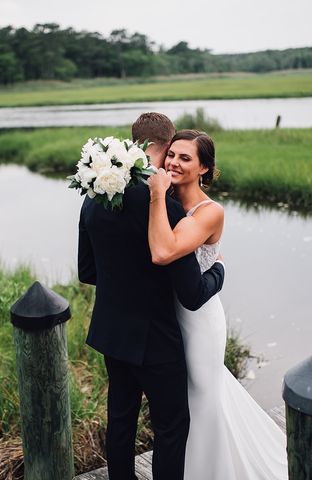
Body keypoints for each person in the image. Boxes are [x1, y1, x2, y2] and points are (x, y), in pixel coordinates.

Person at [147, 129, 312, 480]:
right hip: (170, 318)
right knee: (185, 396)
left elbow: (167, 250)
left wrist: (217, 266)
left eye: (185, 158)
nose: (173, 162)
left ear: (204, 168)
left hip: (200, 319)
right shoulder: (165, 198)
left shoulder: (209, 211)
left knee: (203, 391)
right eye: (171, 155)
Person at [77, 113, 226, 480]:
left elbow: (88, 272)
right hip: (156, 339)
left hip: (112, 333)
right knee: (171, 428)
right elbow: (191, 294)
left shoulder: (96, 195)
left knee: (121, 421)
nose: (173, 164)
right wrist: (220, 269)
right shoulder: (167, 207)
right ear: (162, 147)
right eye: (172, 153)